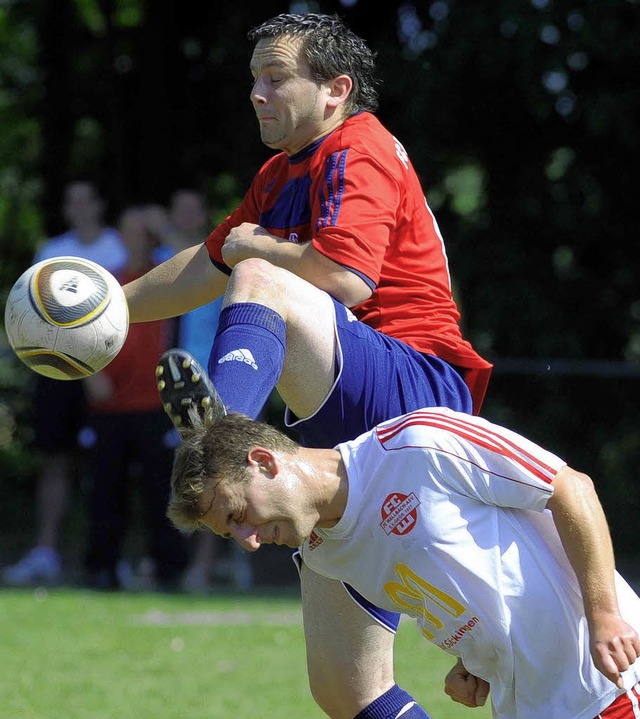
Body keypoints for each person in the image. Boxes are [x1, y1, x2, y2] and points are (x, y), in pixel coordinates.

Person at [124, 13, 493, 719]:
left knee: (260, 273)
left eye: (275, 77)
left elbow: (346, 277)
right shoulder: (279, 173)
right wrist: (109, 313)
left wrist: (255, 247)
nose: (257, 94)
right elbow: (205, 263)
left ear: (336, 89)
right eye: (252, 80)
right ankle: (225, 433)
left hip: (416, 389)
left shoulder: (361, 145)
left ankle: (221, 429)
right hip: (349, 417)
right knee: (346, 690)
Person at [166, 401, 640, 719]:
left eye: (239, 515)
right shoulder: (326, 555)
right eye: (231, 533)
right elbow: (461, 584)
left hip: (605, 683)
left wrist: (603, 615)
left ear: (265, 462)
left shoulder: (417, 443)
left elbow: (570, 489)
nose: (247, 540)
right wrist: (475, 660)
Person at [2, 180, 128, 587]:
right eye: (70, 201)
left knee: (110, 465)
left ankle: (111, 556)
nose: (78, 207)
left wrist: (96, 372)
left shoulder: (119, 248)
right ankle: (46, 551)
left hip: (110, 374)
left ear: (99, 204)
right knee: (54, 460)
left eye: (85, 198)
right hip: (54, 372)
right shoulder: (49, 253)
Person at [81, 206, 189, 590]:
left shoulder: (171, 278)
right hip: (110, 406)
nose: (136, 239)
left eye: (144, 233)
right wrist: (90, 376)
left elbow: (200, 257)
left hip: (157, 404)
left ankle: (168, 571)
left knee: (162, 491)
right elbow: (81, 336)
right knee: (106, 492)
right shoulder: (106, 283)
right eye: (129, 232)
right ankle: (101, 570)